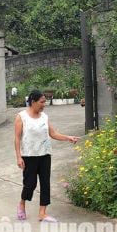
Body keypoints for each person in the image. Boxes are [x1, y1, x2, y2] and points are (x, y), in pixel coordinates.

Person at [15, 89, 79, 222]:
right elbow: (17, 138)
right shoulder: (21, 117)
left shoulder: (44, 117)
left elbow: (53, 133)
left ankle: (42, 213)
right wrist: (18, 156)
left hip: (45, 155)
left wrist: (68, 138)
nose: (44, 104)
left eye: (45, 102)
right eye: (42, 102)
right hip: (29, 156)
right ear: (33, 102)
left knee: (45, 183)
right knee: (30, 184)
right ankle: (22, 203)